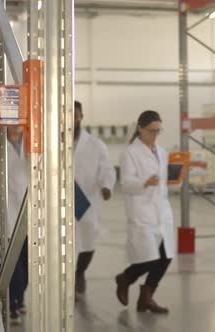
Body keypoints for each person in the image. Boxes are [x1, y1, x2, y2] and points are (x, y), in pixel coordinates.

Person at [114, 110, 174, 314]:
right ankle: (126, 277)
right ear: (140, 128)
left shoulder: (162, 152)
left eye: (158, 131)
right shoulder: (130, 152)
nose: (155, 135)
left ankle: (146, 298)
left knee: (166, 256)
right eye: (151, 131)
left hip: (161, 212)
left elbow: (164, 182)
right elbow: (126, 183)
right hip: (142, 211)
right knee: (150, 258)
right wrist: (144, 183)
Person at [73, 100, 116, 295]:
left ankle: (80, 272)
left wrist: (106, 186)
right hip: (58, 198)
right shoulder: (52, 140)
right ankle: (64, 280)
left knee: (88, 239)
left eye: (75, 114)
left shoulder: (95, 144)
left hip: (85, 197)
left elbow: (106, 168)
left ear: (81, 116)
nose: (71, 118)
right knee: (60, 241)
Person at [6, 126, 29, 324]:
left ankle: (19, 299)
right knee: (15, 266)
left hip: (31, 214)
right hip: (8, 214)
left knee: (28, 265)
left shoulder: (33, 142)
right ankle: (12, 304)